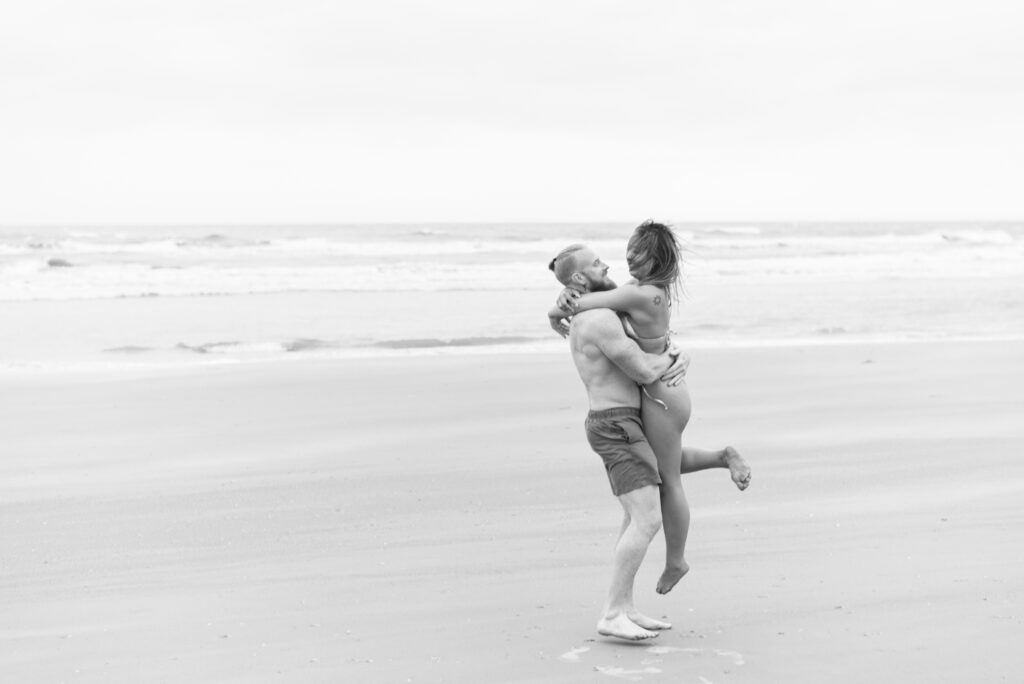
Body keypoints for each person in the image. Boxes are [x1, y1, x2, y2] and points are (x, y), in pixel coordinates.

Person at [549, 224, 751, 595]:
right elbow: (597, 298)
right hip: (663, 390)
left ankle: (677, 559)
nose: (628, 257)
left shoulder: (640, 293)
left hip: (661, 392)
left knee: (668, 481)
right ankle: (723, 456)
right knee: (664, 464)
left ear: (655, 259)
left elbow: (581, 305)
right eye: (628, 249)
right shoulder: (650, 290)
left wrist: (557, 307)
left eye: (638, 253)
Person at [548, 243, 691, 640]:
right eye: (596, 263)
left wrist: (555, 308)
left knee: (633, 518)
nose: (606, 264)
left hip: (615, 422)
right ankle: (612, 612)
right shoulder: (599, 320)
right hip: (616, 425)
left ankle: (625, 606)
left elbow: (573, 307)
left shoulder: (590, 310)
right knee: (647, 519)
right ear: (579, 278)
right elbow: (644, 371)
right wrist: (676, 358)